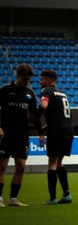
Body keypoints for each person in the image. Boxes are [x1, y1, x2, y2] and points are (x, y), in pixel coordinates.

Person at [0, 64, 43, 207]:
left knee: (21, 166)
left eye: (29, 79)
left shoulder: (30, 94)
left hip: (22, 135)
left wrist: (41, 133)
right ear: (18, 76)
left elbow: (34, 116)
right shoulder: (5, 90)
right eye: (25, 79)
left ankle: (13, 199)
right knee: (1, 166)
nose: (27, 82)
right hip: (5, 133)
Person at [37, 70, 74, 204]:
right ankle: (67, 194)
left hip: (56, 132)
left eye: (41, 79)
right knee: (59, 163)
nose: (40, 82)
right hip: (69, 130)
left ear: (48, 80)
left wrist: (36, 116)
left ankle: (52, 198)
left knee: (52, 163)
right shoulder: (62, 93)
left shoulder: (46, 91)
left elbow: (43, 105)